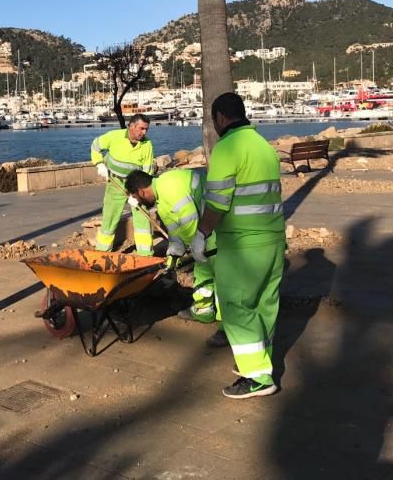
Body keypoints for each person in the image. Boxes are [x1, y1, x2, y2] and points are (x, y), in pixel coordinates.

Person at [192, 92, 285, 400]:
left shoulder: (227, 148)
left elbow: (217, 202)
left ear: (220, 117)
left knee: (234, 306)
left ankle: (257, 378)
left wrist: (202, 234)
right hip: (272, 240)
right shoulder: (263, 146)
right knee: (264, 305)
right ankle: (260, 363)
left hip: (243, 245)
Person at [124, 168, 217, 323]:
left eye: (136, 198)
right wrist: (172, 259)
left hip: (213, 217)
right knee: (211, 266)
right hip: (205, 222)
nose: (139, 203)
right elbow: (175, 234)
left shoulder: (168, 186)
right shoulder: (162, 204)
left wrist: (196, 246)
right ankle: (220, 313)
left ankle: (204, 312)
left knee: (204, 267)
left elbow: (190, 220)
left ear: (141, 192)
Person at [90, 114, 154, 255]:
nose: (144, 132)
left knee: (143, 219)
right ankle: (102, 253)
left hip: (137, 188)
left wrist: (139, 194)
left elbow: (147, 172)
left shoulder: (147, 145)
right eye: (141, 128)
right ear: (131, 126)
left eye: (146, 129)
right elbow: (95, 145)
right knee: (109, 220)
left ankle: (145, 255)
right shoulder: (114, 137)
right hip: (115, 182)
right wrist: (99, 164)